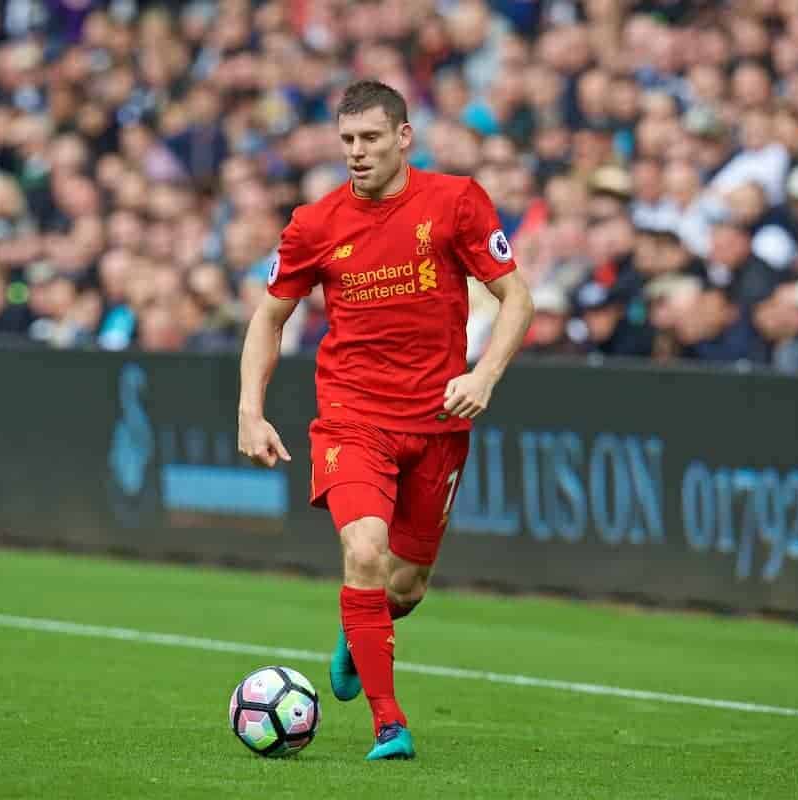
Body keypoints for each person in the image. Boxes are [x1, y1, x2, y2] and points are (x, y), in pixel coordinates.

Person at [237, 80, 534, 761]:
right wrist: (250, 411)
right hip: (352, 416)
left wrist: (483, 374)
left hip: (437, 418)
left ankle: (356, 625)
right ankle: (388, 723)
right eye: (346, 141)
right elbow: (270, 316)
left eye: (370, 138)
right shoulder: (313, 223)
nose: (357, 153)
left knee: (404, 586)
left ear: (404, 137)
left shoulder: (456, 202)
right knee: (364, 551)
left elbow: (516, 297)